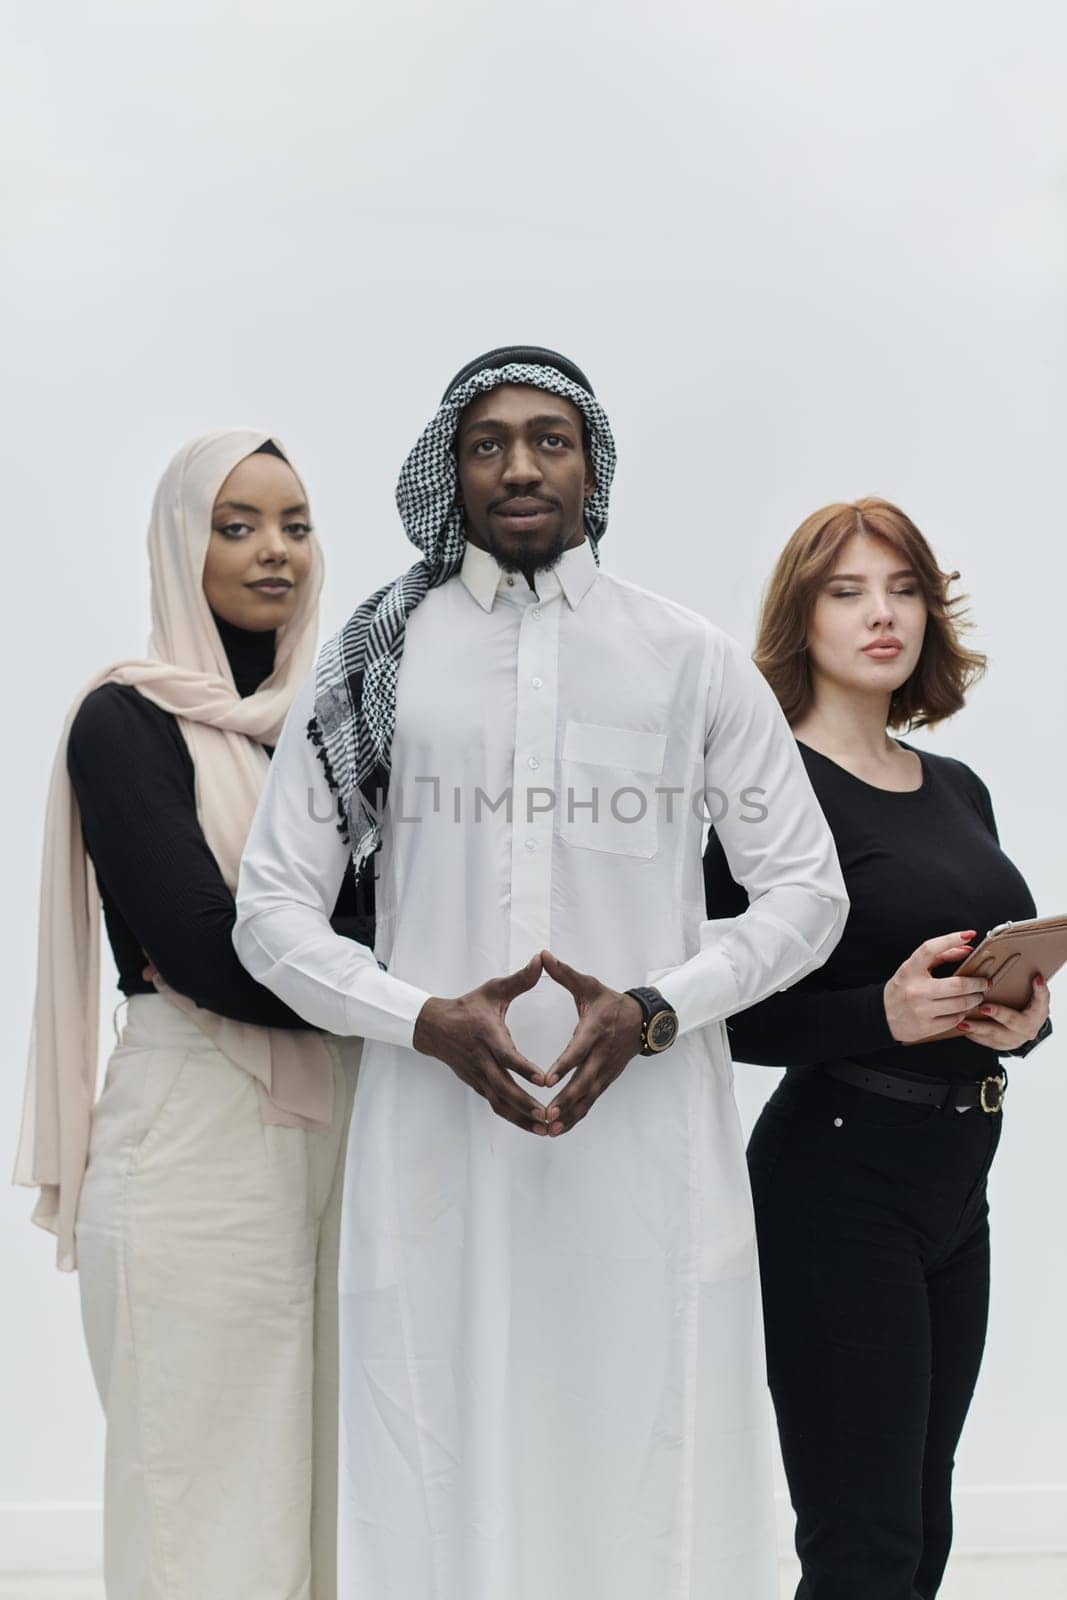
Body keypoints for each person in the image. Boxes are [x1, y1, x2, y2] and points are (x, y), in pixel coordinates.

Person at [233, 346, 849, 1600]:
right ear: (449, 473)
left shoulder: (686, 658)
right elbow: (268, 914)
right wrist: (419, 1019)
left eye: (548, 440)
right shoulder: (375, 660)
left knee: (648, 1441)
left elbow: (807, 893)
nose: (518, 465)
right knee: (430, 1455)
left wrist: (658, 1006)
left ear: (592, 467)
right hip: (430, 1136)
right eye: (487, 442)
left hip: (646, 1136)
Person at [15, 430, 367, 1600]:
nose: (275, 552)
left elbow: (336, 932)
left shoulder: (331, 733)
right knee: (200, 1512)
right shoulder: (126, 723)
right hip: (194, 1135)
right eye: (237, 525)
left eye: (296, 525)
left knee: (320, 1507)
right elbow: (211, 955)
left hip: (337, 1136)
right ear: (180, 545)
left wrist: (343, 966)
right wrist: (392, 990)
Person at [703, 497, 1052, 1600]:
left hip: (956, 1180)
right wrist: (875, 1016)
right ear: (798, 617)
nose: (880, 614)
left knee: (922, 1518)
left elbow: (985, 976)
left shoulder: (955, 787)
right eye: (845, 591)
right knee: (864, 1540)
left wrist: (1026, 1022)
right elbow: (712, 1008)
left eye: (901, 588)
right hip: (833, 1176)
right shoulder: (764, 791)